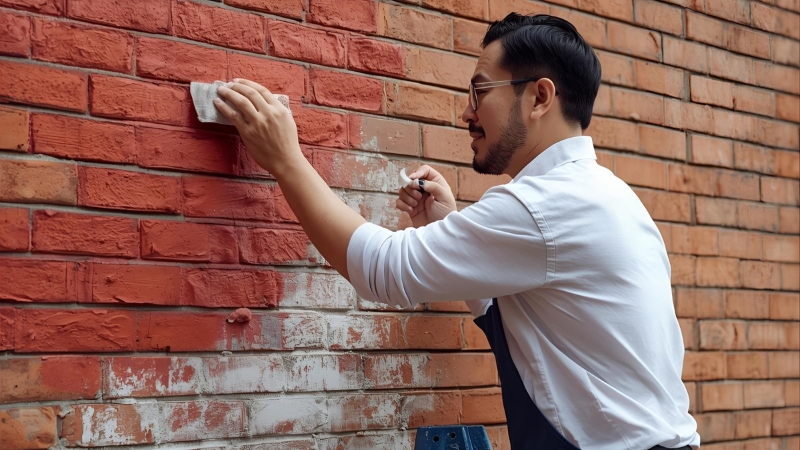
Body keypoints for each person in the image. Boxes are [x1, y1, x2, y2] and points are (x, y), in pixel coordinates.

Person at [213, 13, 700, 450]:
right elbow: (536, 316)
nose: (466, 113)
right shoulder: (607, 196)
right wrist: (448, 225)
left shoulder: (545, 206)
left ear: (540, 96)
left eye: (480, 92)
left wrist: (285, 159)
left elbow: (383, 269)